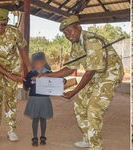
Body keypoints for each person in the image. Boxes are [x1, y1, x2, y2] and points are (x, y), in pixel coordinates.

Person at [39, 15, 124, 150]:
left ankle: (96, 146)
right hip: (96, 75)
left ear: (78, 27)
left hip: (109, 75)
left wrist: (74, 91)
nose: (68, 35)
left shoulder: (92, 41)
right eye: (65, 33)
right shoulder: (76, 44)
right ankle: (88, 138)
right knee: (80, 104)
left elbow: (89, 71)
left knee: (94, 108)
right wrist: (47, 75)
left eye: (70, 31)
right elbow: (70, 68)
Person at [0, 8, 31, 142]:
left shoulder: (15, 32)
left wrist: (30, 68)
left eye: (3, 24)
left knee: (11, 99)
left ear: (7, 22)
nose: (0, 27)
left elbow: (22, 50)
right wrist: (11, 75)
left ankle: (11, 130)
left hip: (12, 67)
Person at [24, 52, 53, 146]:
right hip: (34, 99)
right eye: (36, 63)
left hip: (45, 99)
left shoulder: (49, 73)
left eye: (41, 62)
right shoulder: (30, 74)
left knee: (43, 119)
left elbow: (57, 82)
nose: (39, 64)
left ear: (44, 62)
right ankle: (35, 137)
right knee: (35, 119)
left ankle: (43, 137)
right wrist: (31, 80)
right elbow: (26, 86)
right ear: (33, 63)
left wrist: (63, 81)